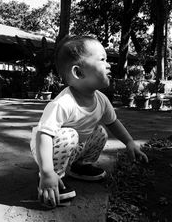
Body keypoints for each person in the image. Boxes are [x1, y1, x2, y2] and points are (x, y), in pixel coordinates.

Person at [30, 35, 148, 208]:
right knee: (69, 134)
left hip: (74, 148)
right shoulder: (63, 103)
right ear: (78, 72)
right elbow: (43, 135)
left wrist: (129, 142)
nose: (109, 65)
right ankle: (54, 178)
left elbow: (113, 122)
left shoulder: (101, 99)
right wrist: (46, 171)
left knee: (100, 132)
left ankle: (80, 166)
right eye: (102, 59)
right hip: (47, 149)